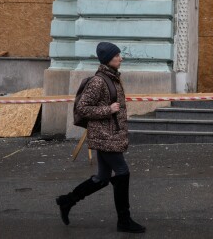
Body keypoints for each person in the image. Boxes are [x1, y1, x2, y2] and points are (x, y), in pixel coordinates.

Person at [56, 42, 146, 233]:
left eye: (120, 55)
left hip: (110, 134)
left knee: (103, 177)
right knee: (122, 172)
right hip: (104, 136)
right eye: (117, 56)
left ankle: (67, 201)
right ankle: (124, 221)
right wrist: (108, 109)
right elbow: (82, 107)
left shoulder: (113, 78)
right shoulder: (98, 81)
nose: (121, 58)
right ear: (108, 59)